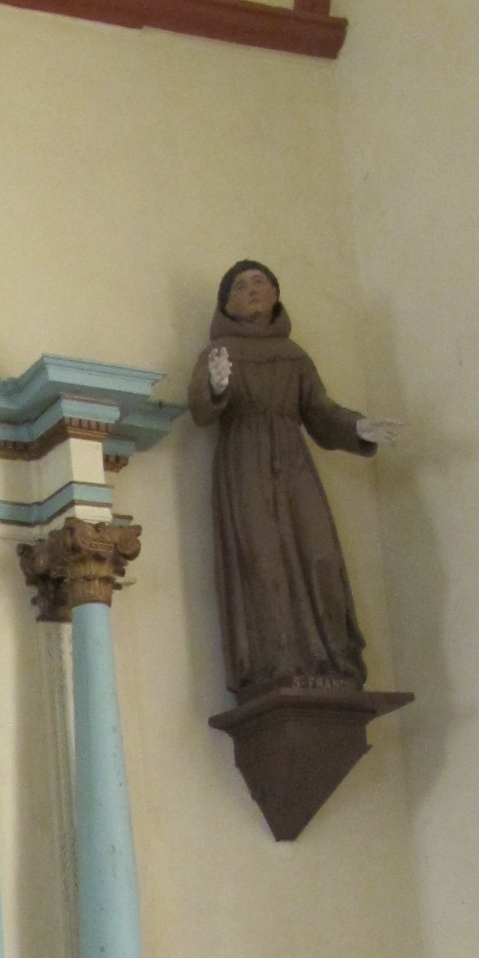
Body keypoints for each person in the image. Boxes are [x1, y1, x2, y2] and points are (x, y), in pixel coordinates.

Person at [189, 260, 400, 699]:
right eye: (240, 286)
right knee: (261, 558)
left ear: (275, 294)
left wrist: (358, 427)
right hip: (244, 462)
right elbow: (201, 410)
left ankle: (333, 661)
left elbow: (320, 413)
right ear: (226, 305)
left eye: (260, 282)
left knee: (318, 552)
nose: (252, 290)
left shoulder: (294, 355)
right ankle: (274, 662)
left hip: (293, 460)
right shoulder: (218, 354)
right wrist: (216, 387)